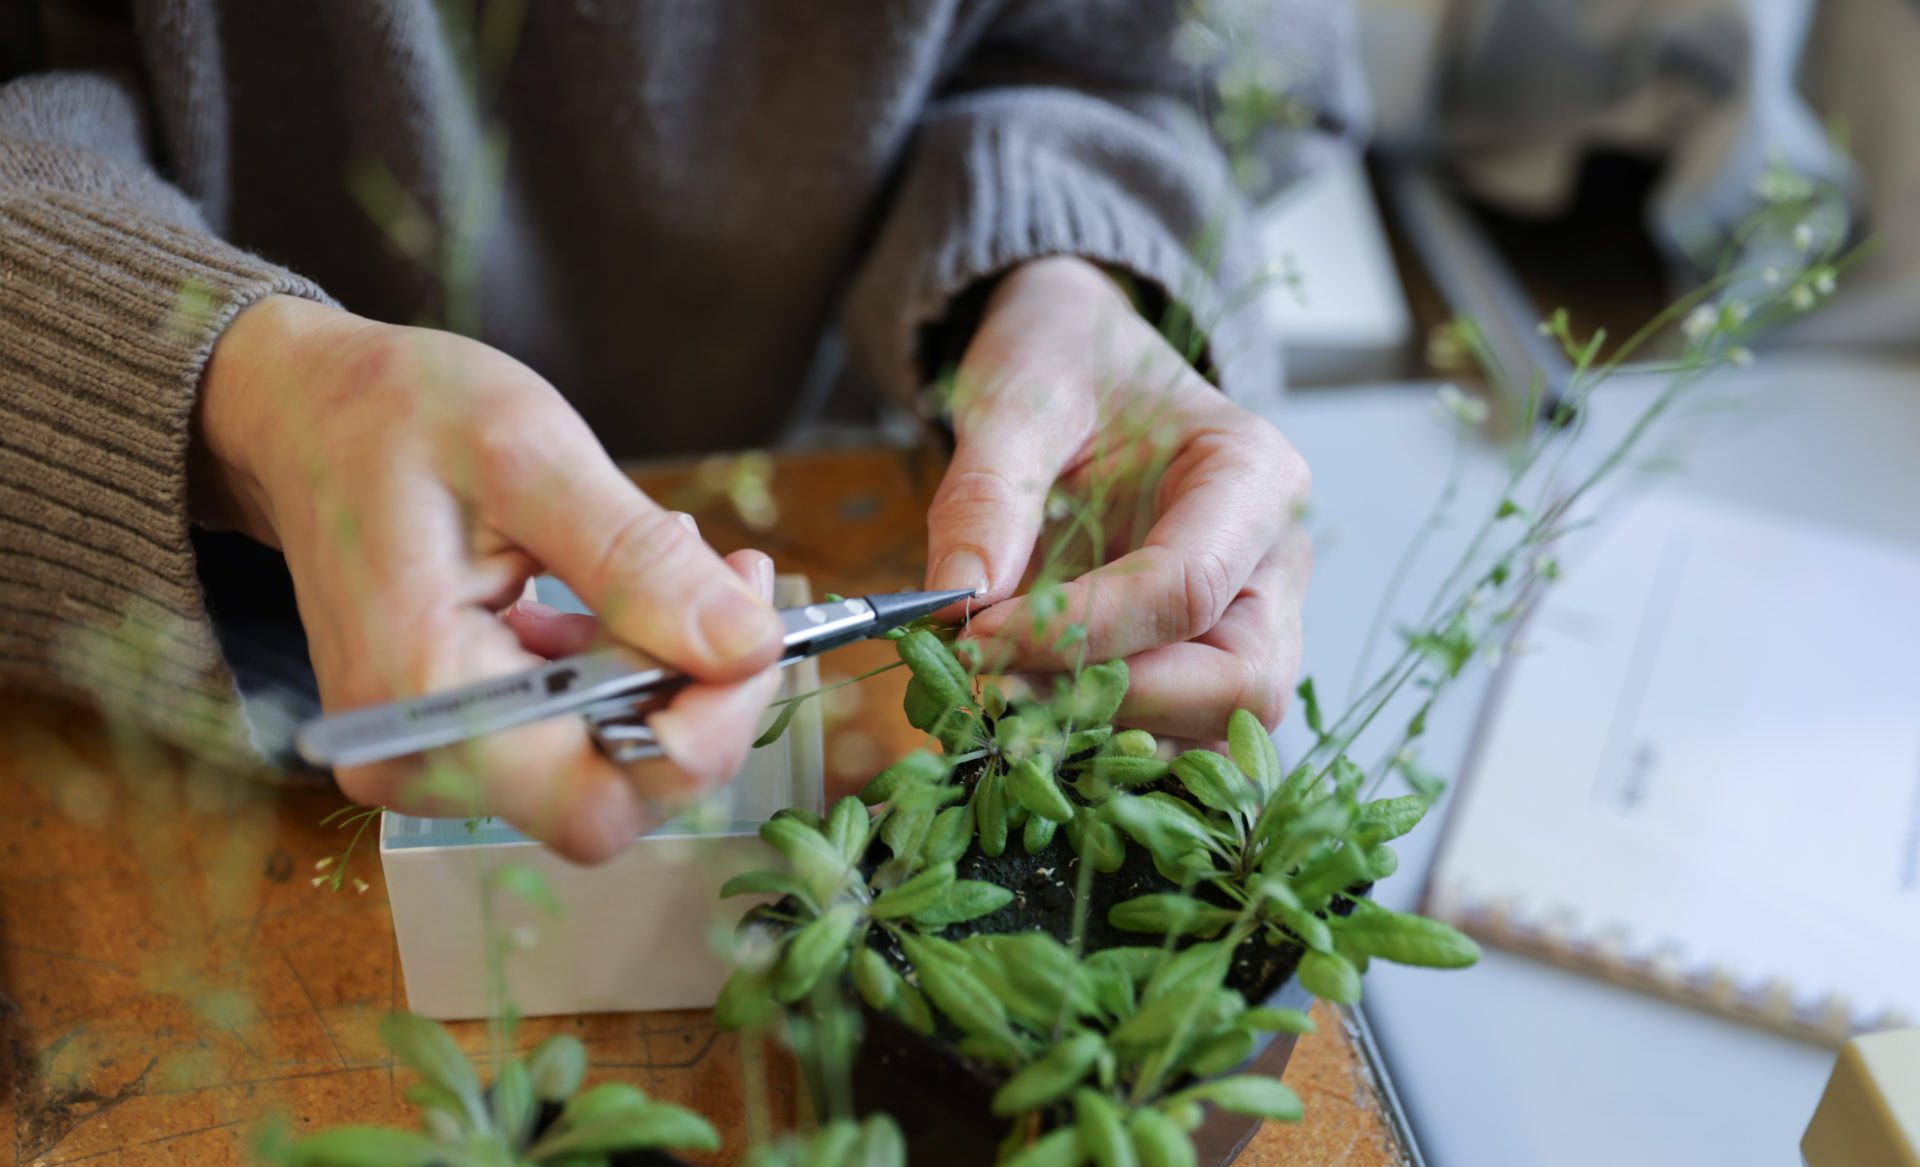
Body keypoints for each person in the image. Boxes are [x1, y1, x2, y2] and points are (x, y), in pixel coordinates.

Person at [0, 1, 1350, 861]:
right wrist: (236, 397)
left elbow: (1185, 64)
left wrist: (1079, 268)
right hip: (149, 635)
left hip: (865, 462)